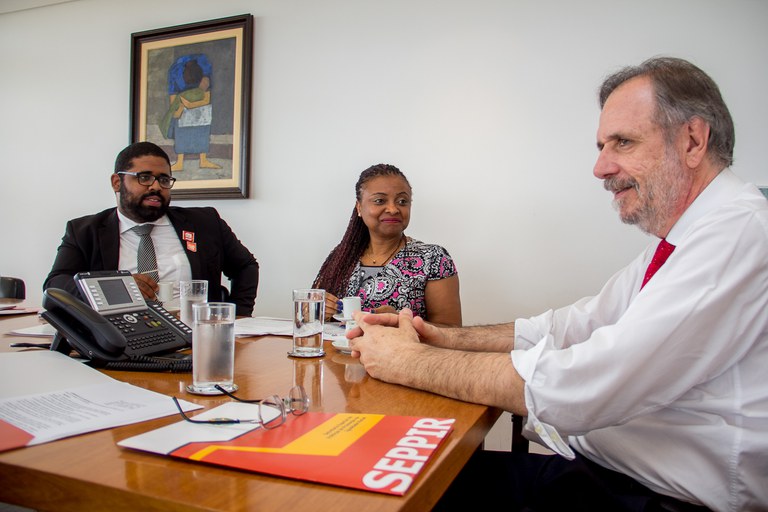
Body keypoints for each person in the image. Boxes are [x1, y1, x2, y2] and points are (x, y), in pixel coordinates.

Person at [348, 57, 768, 511]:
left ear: (692, 140)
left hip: (660, 500)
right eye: (602, 145)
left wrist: (411, 361)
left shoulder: (739, 232)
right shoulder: (686, 236)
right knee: (405, 478)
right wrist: (444, 337)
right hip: (606, 475)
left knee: (396, 494)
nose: (600, 167)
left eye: (622, 142)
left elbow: (585, 387)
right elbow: (574, 325)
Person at [44, 141, 259, 317]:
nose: (156, 187)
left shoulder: (205, 223)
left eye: (164, 179)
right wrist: (117, 288)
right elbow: (55, 285)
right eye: (144, 178)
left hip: (193, 340)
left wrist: (237, 317)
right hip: (121, 339)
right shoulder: (84, 231)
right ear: (117, 182)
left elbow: (246, 266)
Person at [313, 164, 462, 326]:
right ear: (359, 207)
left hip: (403, 352)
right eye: (379, 200)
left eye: (402, 201)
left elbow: (451, 331)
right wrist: (316, 311)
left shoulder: (433, 258)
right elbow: (313, 319)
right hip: (340, 351)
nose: (393, 209)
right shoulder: (341, 256)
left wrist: (400, 321)